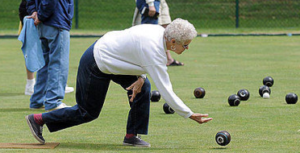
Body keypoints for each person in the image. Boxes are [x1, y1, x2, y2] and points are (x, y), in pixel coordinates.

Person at [25, 18, 213, 147]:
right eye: (185, 44)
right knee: (87, 112)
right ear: (173, 41)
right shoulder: (154, 49)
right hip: (96, 62)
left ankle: (132, 136)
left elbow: (135, 54)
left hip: (114, 60)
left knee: (144, 87)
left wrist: (141, 77)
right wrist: (189, 114)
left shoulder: (158, 32)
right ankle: (39, 120)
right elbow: (166, 89)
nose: (187, 48)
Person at [18, 0, 74, 96]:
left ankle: (38, 99)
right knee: (58, 62)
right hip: (55, 20)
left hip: (44, 20)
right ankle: (53, 100)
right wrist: (41, 15)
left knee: (44, 62)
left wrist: (35, 11)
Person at [133, 0, 184, 66]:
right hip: (152, 3)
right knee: (150, 32)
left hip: (159, 2)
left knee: (164, 30)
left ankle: (168, 59)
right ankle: (146, 60)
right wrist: (151, 4)